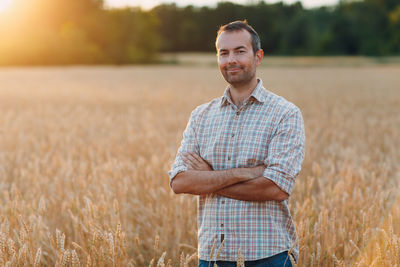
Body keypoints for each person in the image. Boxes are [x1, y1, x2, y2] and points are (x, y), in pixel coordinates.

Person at [168, 20, 305, 267]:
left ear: (258, 56)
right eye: (224, 53)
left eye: (240, 51)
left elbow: (276, 188)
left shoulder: (285, 114)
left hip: (269, 256)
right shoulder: (201, 116)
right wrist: (246, 173)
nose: (231, 59)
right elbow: (179, 181)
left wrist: (209, 180)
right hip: (213, 257)